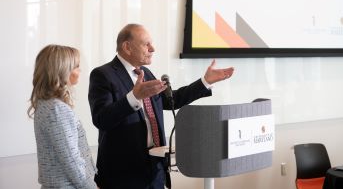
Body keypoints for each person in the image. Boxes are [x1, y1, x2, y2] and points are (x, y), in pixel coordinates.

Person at [88, 24, 234, 189]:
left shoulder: (145, 73)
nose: (153, 48)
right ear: (127, 47)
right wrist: (134, 97)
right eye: (146, 44)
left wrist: (205, 82)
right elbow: (102, 119)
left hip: (155, 170)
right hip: (123, 175)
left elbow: (170, 100)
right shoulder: (103, 75)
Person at [28, 44, 97, 189]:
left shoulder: (46, 104)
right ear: (63, 71)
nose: (80, 71)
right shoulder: (56, 109)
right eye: (76, 66)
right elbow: (71, 160)